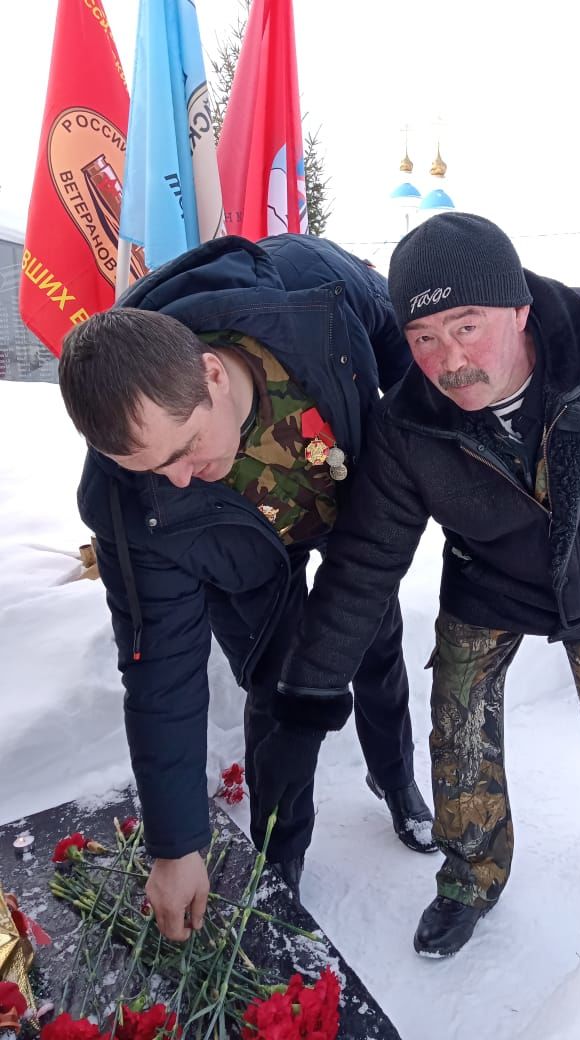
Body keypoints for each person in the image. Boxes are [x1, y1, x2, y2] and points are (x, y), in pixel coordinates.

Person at [254, 212, 580, 958]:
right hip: (489, 577)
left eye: (467, 325)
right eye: (425, 336)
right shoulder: (408, 425)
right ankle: (470, 874)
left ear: (520, 305)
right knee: (457, 724)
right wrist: (306, 699)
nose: (449, 358)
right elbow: (364, 561)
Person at [57, 233, 438, 943]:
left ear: (211, 375)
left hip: (345, 497)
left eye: (182, 451)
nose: (172, 479)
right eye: (148, 468)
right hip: (239, 557)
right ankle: (280, 854)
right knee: (277, 687)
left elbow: (402, 350)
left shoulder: (306, 293)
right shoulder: (131, 500)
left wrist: (414, 442)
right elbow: (159, 668)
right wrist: (175, 845)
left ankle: (394, 778)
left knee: (375, 644)